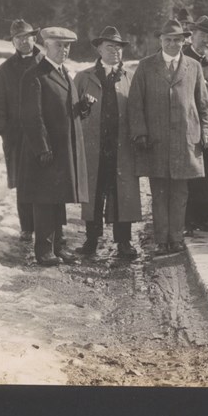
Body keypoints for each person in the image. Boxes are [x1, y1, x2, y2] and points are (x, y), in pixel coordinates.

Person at [128, 18, 208, 256]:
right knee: (159, 194)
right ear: (161, 41)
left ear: (184, 41)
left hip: (185, 142)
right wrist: (140, 133)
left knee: (180, 193)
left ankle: (176, 238)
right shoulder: (146, 66)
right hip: (155, 142)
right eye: (168, 40)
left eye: (178, 40)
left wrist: (206, 132)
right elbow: (135, 104)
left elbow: (203, 105)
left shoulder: (193, 66)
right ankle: (161, 239)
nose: (173, 44)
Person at [18, 27, 92, 266]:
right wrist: (42, 148)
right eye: (58, 45)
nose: (64, 50)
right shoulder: (36, 75)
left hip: (62, 151)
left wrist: (82, 107)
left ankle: (58, 247)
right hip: (47, 151)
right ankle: (44, 250)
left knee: (57, 198)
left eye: (67, 46)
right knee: (44, 200)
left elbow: (65, 112)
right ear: (45, 47)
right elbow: (32, 117)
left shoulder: (64, 75)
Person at [74, 26, 141, 260]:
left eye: (119, 47)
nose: (115, 51)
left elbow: (138, 112)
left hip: (121, 148)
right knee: (94, 193)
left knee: (123, 194)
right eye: (110, 46)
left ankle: (124, 242)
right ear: (99, 48)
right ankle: (91, 241)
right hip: (94, 148)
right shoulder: (84, 77)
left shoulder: (131, 78)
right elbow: (72, 113)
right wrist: (82, 107)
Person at [0, 18, 41, 241]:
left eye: (27, 37)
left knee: (48, 181)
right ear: (13, 43)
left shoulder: (46, 63)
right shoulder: (5, 70)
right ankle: (27, 227)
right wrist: (6, 131)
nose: (23, 42)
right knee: (24, 182)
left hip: (45, 135)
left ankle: (50, 229)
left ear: (35, 38)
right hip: (18, 137)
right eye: (18, 38)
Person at [182, 15, 208, 233]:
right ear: (192, 36)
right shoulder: (182, 59)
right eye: (202, 36)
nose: (206, 41)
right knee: (190, 173)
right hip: (187, 126)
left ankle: (204, 214)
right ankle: (188, 217)